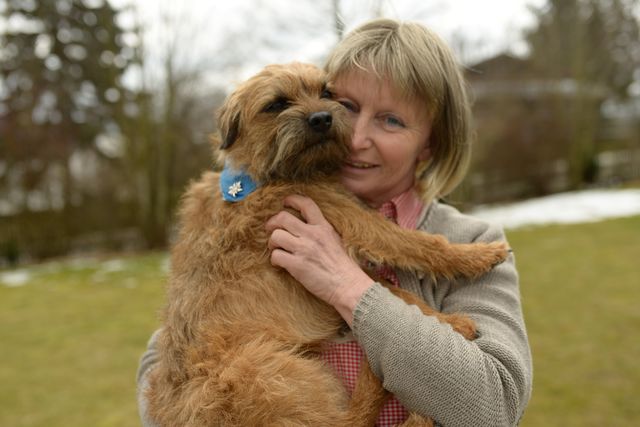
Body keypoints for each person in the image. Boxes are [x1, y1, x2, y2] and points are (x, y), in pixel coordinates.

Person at [137, 18, 532, 427]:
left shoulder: (474, 240)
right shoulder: (249, 214)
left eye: (391, 120)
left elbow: (495, 408)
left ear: (429, 143)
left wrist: (350, 288)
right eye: (348, 106)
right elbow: (170, 369)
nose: (355, 138)